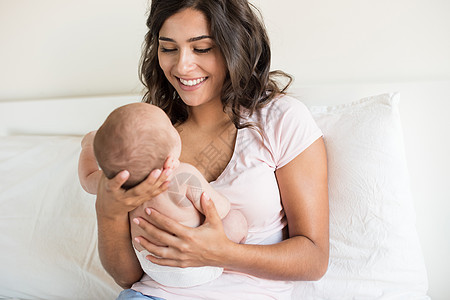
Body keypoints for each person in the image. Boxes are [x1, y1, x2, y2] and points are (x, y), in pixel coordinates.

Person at [89, 0, 329, 299]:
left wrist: (221, 253)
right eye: (168, 48)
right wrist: (108, 212)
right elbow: (128, 277)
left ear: (235, 46)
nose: (181, 66)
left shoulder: (281, 119)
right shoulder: (148, 136)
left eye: (201, 48)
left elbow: (314, 259)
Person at [78, 102, 248, 287]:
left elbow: (87, 178)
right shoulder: (183, 175)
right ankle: (229, 266)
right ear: (171, 156)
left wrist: (88, 144)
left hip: (154, 267)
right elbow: (220, 209)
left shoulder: (116, 186)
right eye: (169, 124)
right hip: (199, 265)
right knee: (235, 220)